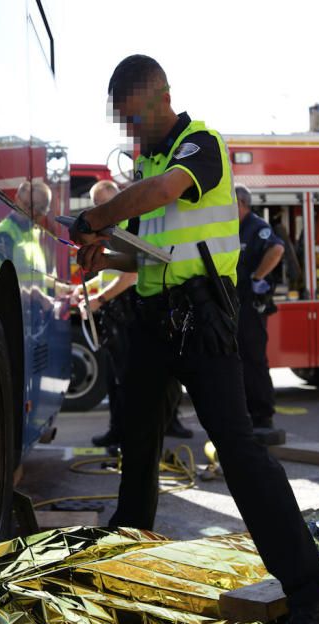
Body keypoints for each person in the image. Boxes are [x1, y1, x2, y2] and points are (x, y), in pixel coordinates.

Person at [68, 54, 319, 624]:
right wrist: (106, 255)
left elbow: (163, 194)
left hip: (203, 323)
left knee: (241, 454)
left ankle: (314, 598)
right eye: (124, 120)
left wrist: (94, 218)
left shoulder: (201, 147)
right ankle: (127, 574)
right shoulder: (149, 159)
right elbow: (154, 256)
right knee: (137, 450)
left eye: (135, 116)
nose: (131, 131)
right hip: (152, 320)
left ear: (162, 97)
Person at [85, 180, 193, 447]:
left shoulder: (127, 228)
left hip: (129, 308)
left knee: (129, 380)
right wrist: (83, 291)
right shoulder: (109, 232)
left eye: (105, 204)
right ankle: (119, 432)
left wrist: (99, 298)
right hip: (116, 309)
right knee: (116, 378)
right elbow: (110, 273)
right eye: (98, 205)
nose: (101, 209)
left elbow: (132, 274)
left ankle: (129, 437)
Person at [235, 184, 284, 431]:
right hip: (234, 303)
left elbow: (277, 249)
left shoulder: (256, 227)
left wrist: (257, 278)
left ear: (241, 204)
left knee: (253, 359)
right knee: (236, 360)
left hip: (250, 305)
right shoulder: (231, 228)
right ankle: (243, 413)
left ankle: (262, 415)